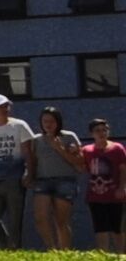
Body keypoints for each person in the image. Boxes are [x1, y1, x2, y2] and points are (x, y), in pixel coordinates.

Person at [0, 93, 37, 246]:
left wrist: (29, 172)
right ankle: (6, 245)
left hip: (15, 177)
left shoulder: (19, 125)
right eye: (2, 106)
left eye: (7, 106)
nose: (6, 109)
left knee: (15, 217)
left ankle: (14, 247)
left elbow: (28, 151)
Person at [38, 105, 89, 251]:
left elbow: (79, 162)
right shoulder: (36, 139)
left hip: (65, 180)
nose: (48, 124)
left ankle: (64, 251)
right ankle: (51, 249)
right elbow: (32, 160)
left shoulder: (69, 136)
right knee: (40, 217)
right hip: (42, 181)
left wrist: (59, 148)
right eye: (45, 121)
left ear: (58, 122)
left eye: (51, 121)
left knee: (61, 220)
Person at [84, 116, 126, 254]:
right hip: (95, 196)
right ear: (92, 134)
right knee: (100, 227)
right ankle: (104, 255)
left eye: (104, 130)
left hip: (114, 195)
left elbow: (123, 169)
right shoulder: (87, 150)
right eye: (98, 130)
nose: (101, 133)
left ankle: (121, 254)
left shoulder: (117, 149)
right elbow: (79, 165)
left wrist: (122, 187)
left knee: (117, 226)